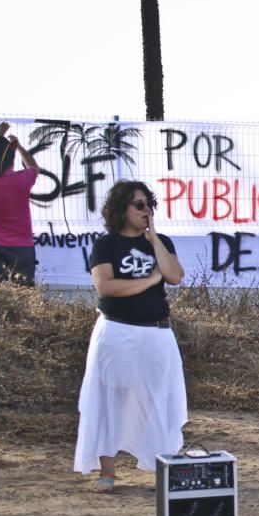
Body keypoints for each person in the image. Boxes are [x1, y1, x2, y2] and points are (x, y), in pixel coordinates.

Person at [74, 180, 188, 491]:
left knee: (159, 399)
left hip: (156, 333)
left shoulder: (160, 241)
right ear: (122, 208)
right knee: (109, 398)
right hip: (116, 331)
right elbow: (106, 287)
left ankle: (161, 467)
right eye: (139, 205)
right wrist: (150, 280)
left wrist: (153, 240)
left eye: (149, 204)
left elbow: (175, 276)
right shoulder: (106, 245)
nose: (146, 210)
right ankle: (107, 471)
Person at [0, 121, 40, 285]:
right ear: (12, 159)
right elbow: (33, 166)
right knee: (25, 297)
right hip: (22, 248)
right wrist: (18, 147)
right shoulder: (22, 180)